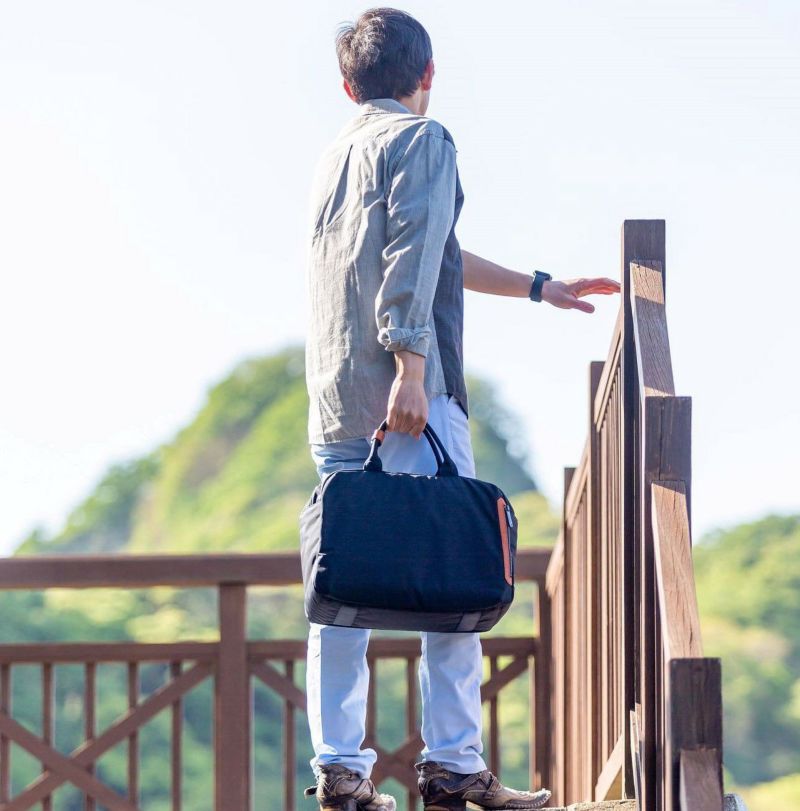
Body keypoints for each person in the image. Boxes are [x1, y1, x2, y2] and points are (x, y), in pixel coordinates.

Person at [302, 8, 620, 810]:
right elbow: (413, 255)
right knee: (453, 567)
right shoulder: (424, 140)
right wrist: (411, 368)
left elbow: (433, 248)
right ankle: (452, 762)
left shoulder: (334, 159)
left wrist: (539, 287)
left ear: (347, 85)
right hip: (409, 393)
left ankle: (340, 770)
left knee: (341, 582)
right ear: (429, 74)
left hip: (337, 396)